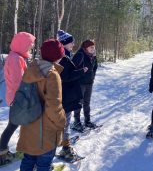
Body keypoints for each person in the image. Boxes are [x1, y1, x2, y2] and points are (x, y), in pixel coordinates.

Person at [17, 39, 66, 171]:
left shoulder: (31, 69)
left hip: (28, 126)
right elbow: (54, 107)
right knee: (44, 164)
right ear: (57, 57)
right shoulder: (52, 75)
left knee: (28, 160)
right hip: (46, 132)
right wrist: (62, 122)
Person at [0, 32, 36, 165]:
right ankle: (2, 154)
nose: (30, 48)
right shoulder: (15, 58)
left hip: (17, 97)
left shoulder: (16, 57)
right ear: (22, 44)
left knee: (14, 125)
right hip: (18, 99)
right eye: (29, 45)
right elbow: (18, 82)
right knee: (13, 125)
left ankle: (4, 152)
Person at [57, 30, 88, 160]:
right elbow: (66, 77)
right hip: (65, 96)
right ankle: (65, 147)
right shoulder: (63, 58)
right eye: (71, 42)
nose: (73, 44)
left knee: (65, 122)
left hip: (67, 94)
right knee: (65, 122)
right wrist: (81, 72)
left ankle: (64, 142)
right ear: (64, 44)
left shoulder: (67, 55)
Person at [72, 40, 98, 132]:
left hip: (89, 83)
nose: (93, 49)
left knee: (87, 103)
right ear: (86, 47)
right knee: (79, 103)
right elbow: (72, 68)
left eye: (94, 47)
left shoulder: (92, 56)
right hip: (80, 83)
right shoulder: (80, 55)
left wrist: (92, 77)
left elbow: (95, 67)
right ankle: (76, 122)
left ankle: (87, 121)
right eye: (91, 47)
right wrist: (80, 74)